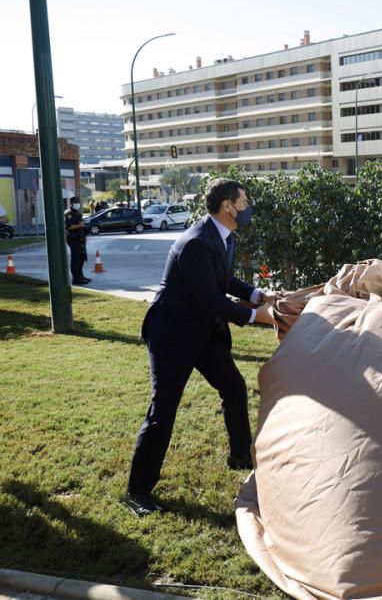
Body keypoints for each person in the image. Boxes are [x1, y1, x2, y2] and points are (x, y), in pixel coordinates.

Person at [125, 178, 275, 516]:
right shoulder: (195, 243)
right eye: (244, 201)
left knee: (234, 388)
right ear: (228, 206)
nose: (247, 206)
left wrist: (256, 296)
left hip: (204, 333)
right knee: (163, 412)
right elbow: (211, 300)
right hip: (173, 335)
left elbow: (222, 280)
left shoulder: (222, 235)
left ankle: (239, 457)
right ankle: (137, 492)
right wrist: (257, 317)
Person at [64, 196, 89, 285]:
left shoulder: (77, 212)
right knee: (76, 260)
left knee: (81, 258)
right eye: (75, 202)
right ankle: (76, 279)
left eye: (78, 202)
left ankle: (81, 276)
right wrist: (80, 225)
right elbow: (69, 227)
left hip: (80, 239)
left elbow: (81, 225)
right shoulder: (69, 213)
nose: (77, 204)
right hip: (74, 239)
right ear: (71, 203)